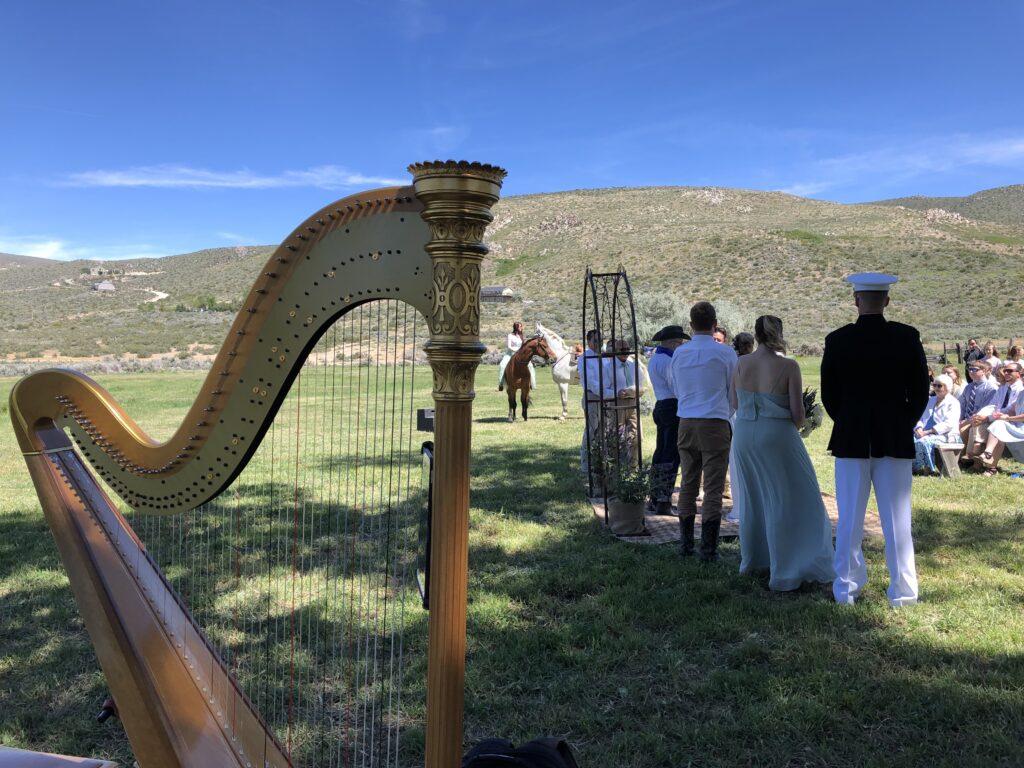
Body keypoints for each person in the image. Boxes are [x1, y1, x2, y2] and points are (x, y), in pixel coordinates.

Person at [821, 272, 929, 607]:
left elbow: (830, 395)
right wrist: (902, 420)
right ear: (887, 301)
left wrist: (851, 420)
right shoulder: (906, 336)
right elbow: (921, 391)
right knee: (898, 521)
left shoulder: (837, 340)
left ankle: (846, 590)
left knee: (849, 518)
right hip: (894, 436)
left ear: (856, 301)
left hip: (852, 438)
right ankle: (904, 593)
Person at [730, 315, 834, 590]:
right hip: (776, 435)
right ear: (779, 333)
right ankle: (789, 566)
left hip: (743, 435)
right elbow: (798, 416)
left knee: (754, 498)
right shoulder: (788, 366)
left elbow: (733, 402)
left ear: (757, 335)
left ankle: (754, 559)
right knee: (797, 496)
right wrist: (806, 419)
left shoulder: (740, 363)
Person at [671, 302, 737, 560]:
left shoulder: (680, 353)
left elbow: (677, 388)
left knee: (688, 483)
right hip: (715, 421)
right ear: (714, 323)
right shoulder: (726, 353)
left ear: (691, 324)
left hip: (686, 420)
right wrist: (726, 413)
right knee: (713, 486)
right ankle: (708, 549)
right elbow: (733, 391)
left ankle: (686, 545)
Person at [647, 325, 689, 514]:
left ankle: (656, 496)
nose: (680, 347)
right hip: (672, 406)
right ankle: (663, 498)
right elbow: (676, 386)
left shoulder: (656, 358)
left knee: (661, 451)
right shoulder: (667, 361)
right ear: (672, 343)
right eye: (679, 343)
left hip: (662, 404)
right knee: (671, 453)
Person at [974, 366, 1024, 476]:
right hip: (1017, 425)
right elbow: (1011, 409)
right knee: (998, 426)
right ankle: (989, 458)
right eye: (1023, 376)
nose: (1006, 373)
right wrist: (1000, 415)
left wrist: (1007, 418)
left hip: (1020, 427)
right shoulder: (1021, 393)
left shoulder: (1018, 390)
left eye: (1009, 371)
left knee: (998, 426)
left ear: (1017, 374)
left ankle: (986, 460)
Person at [912, 374, 962, 475]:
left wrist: (927, 432)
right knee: (909, 439)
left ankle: (928, 468)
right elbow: (920, 417)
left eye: (939, 386)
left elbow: (949, 424)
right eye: (934, 385)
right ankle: (912, 467)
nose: (936, 388)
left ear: (947, 387)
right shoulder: (930, 400)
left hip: (944, 435)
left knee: (923, 441)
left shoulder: (953, 403)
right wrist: (919, 427)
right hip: (925, 432)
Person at [957, 359, 998, 452]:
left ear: (983, 371)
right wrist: (959, 419)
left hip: (980, 419)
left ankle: (968, 457)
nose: (971, 372)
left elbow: (985, 410)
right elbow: (962, 406)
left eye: (974, 369)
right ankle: (956, 458)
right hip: (966, 419)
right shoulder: (968, 387)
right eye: (969, 369)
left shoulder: (991, 388)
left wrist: (966, 422)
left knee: (963, 430)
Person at [498, 322, 533, 391]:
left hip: (520, 354)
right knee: (502, 365)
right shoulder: (510, 335)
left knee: (530, 365)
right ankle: (501, 384)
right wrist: (516, 351)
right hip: (510, 353)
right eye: (520, 327)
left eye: (521, 326)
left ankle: (530, 383)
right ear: (516, 327)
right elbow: (509, 346)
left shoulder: (521, 336)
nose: (521, 328)